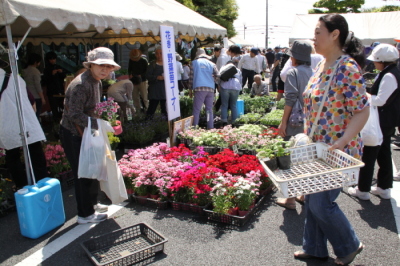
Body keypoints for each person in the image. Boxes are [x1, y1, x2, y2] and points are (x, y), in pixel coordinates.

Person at [294, 14, 369, 265]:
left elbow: (362, 110)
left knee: (322, 204)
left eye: (318, 33)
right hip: (317, 148)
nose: (313, 38)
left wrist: (344, 141)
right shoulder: (321, 65)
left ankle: (349, 245)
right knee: (315, 199)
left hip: (337, 150)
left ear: (335, 35)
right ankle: (314, 248)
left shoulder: (347, 67)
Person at [60, 47, 120, 224]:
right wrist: (100, 124)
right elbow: (74, 114)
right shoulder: (81, 84)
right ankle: (84, 214)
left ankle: (92, 204)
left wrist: (105, 119)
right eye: (101, 65)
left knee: (94, 169)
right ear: (91, 65)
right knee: (83, 172)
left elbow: (92, 108)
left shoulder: (97, 81)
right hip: (73, 133)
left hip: (87, 132)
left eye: (109, 67)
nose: (105, 70)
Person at [348, 44, 400, 200]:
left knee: (369, 155)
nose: (374, 63)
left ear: (382, 61)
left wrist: (365, 96)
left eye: (375, 60)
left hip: (381, 121)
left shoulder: (389, 75)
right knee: (384, 154)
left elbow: (380, 100)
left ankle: (363, 190)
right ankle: (384, 188)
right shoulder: (392, 72)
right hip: (388, 120)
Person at [275, 40, 313, 210]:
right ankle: (303, 194)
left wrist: (283, 123)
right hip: (310, 120)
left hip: (295, 121)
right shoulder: (314, 72)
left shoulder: (293, 73)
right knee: (306, 156)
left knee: (288, 156)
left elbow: (290, 99)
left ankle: (289, 199)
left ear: (294, 58)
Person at [0, 57, 47, 190]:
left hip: (5, 126)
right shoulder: (15, 79)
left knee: (12, 157)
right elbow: (32, 102)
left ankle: (22, 188)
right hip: (26, 124)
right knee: (36, 156)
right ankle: (43, 187)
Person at [189, 48, 219, 129]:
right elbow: (217, 77)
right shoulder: (212, 64)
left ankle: (194, 128)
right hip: (210, 89)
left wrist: (190, 90)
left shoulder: (194, 63)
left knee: (196, 110)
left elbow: (191, 77)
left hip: (199, 88)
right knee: (209, 110)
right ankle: (210, 127)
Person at [43, 51, 66, 122]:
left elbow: (63, 77)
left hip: (60, 90)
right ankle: (56, 121)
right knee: (54, 108)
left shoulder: (58, 66)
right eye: (51, 59)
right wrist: (51, 74)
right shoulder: (46, 69)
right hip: (52, 91)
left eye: (54, 59)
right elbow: (45, 81)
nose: (53, 60)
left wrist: (61, 72)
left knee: (63, 106)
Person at [22, 53, 45, 120]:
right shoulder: (35, 71)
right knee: (36, 115)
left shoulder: (24, 70)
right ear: (36, 62)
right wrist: (42, 98)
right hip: (36, 96)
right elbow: (37, 86)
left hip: (27, 94)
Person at [146, 47, 167, 119]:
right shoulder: (152, 64)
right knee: (152, 107)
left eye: (161, 53)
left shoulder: (168, 64)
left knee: (165, 108)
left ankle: (165, 123)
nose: (159, 55)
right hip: (154, 89)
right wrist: (157, 77)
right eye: (157, 53)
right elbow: (147, 75)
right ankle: (147, 122)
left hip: (165, 89)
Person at [219, 61, 242, 126]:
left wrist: (218, 86)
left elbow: (219, 77)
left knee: (224, 105)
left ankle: (224, 120)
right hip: (236, 86)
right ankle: (234, 121)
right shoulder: (238, 70)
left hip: (225, 86)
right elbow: (240, 80)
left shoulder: (223, 68)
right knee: (233, 105)